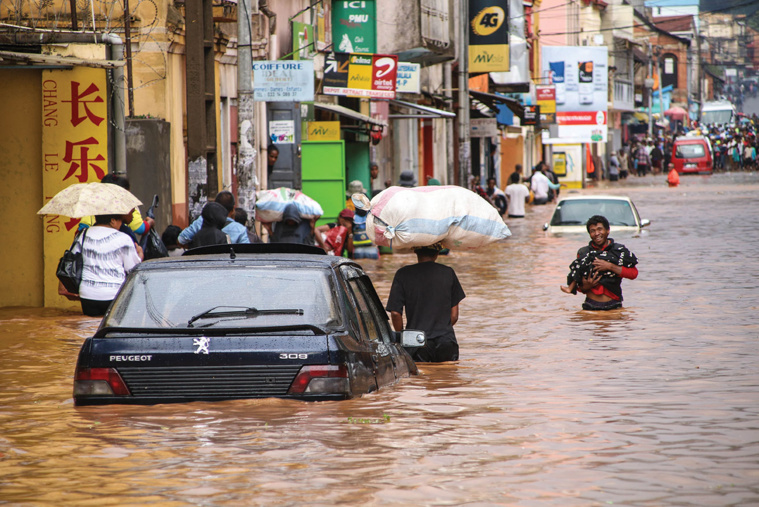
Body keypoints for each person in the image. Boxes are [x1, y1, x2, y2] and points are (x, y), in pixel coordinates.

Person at [386, 244, 466, 362]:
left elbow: (395, 314)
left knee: (419, 378)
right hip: (445, 341)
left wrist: (403, 338)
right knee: (447, 376)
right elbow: (454, 316)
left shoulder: (403, 274)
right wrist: (440, 329)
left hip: (416, 342)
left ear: (415, 251)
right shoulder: (448, 273)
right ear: (437, 252)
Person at [560, 215, 638, 311]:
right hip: (590, 306)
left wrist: (610, 266)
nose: (597, 233)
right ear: (589, 234)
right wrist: (587, 286)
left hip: (614, 306)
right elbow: (580, 284)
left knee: (617, 326)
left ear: (608, 230)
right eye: (592, 231)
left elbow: (634, 274)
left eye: (600, 229)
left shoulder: (619, 251)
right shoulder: (584, 253)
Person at [77, 213, 143, 317]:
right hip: (114, 295)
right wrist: (140, 255)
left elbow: (74, 258)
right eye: (120, 221)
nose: (121, 224)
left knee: (90, 329)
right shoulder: (124, 238)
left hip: (87, 294)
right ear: (112, 220)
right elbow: (132, 269)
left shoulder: (83, 235)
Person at [178, 191, 250, 246]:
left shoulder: (201, 221)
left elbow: (181, 240)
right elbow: (246, 253)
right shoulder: (240, 229)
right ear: (232, 210)